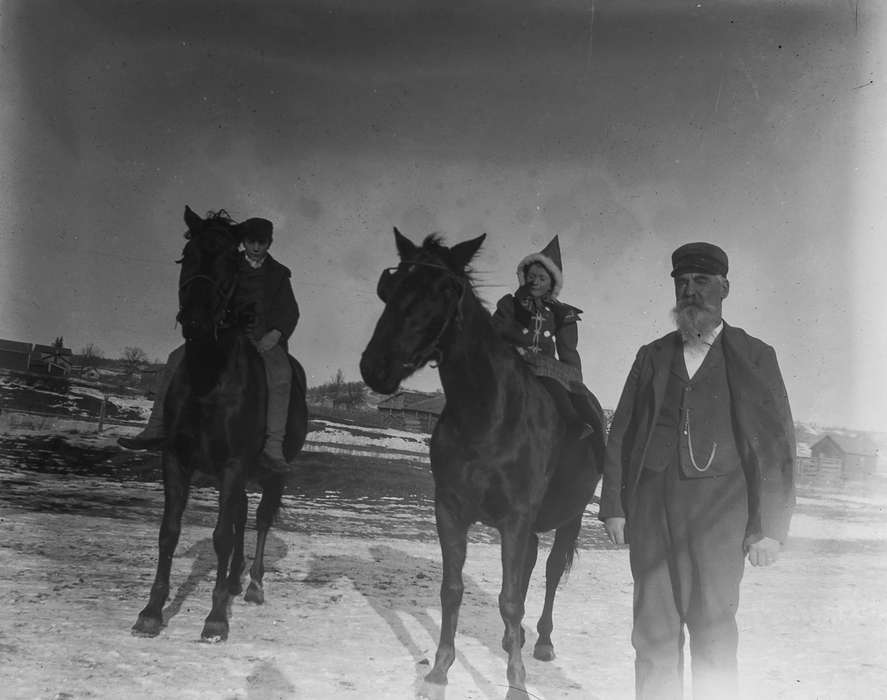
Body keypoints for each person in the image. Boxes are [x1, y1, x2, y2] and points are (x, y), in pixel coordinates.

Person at [599, 242, 796, 700]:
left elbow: (776, 443)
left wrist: (770, 528)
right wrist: (615, 506)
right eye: (682, 282)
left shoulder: (754, 354)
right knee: (652, 631)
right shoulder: (652, 355)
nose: (691, 291)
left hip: (720, 518)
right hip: (651, 513)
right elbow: (622, 432)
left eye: (702, 281)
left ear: (724, 287)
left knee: (713, 629)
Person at [118, 216, 300, 472]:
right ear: (243, 242)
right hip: (225, 332)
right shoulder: (229, 263)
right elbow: (213, 293)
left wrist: (276, 334)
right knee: (175, 358)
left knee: (281, 375)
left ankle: (273, 445)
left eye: (262, 243)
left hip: (263, 339)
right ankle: (155, 426)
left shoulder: (279, 274)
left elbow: (289, 311)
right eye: (251, 242)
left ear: (269, 244)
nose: (256, 248)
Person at [491, 235, 603, 439]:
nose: (536, 282)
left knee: (556, 390)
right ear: (525, 276)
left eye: (542, 278)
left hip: (544, 369)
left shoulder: (560, 313)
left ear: (551, 284)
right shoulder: (509, 304)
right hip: (510, 362)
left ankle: (576, 427)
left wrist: (573, 378)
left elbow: (569, 353)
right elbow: (492, 335)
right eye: (532, 276)